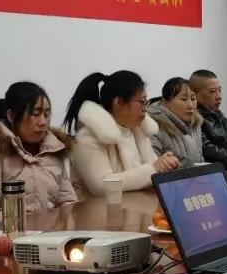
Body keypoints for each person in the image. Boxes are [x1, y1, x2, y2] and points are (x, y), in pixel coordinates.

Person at [0, 81, 76, 229]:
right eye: (35, 114)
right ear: (11, 116)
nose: (43, 122)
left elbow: (68, 206)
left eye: (47, 114)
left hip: (48, 238)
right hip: (6, 239)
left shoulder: (53, 151)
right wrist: (36, 228)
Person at [63, 70, 178, 198]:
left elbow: (154, 166)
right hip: (99, 209)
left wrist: (164, 165)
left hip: (138, 205)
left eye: (146, 102)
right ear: (118, 102)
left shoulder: (137, 130)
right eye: (141, 102)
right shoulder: (88, 138)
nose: (145, 109)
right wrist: (153, 169)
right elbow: (101, 186)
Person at [190, 69, 227, 170]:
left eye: (219, 90)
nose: (219, 96)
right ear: (195, 94)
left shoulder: (222, 119)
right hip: (217, 171)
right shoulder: (194, 120)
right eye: (212, 91)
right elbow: (207, 150)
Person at [147, 77, 205, 169]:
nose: (191, 105)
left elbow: (200, 160)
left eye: (193, 99)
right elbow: (153, 168)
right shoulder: (153, 126)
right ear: (165, 103)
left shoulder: (195, 124)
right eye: (183, 99)